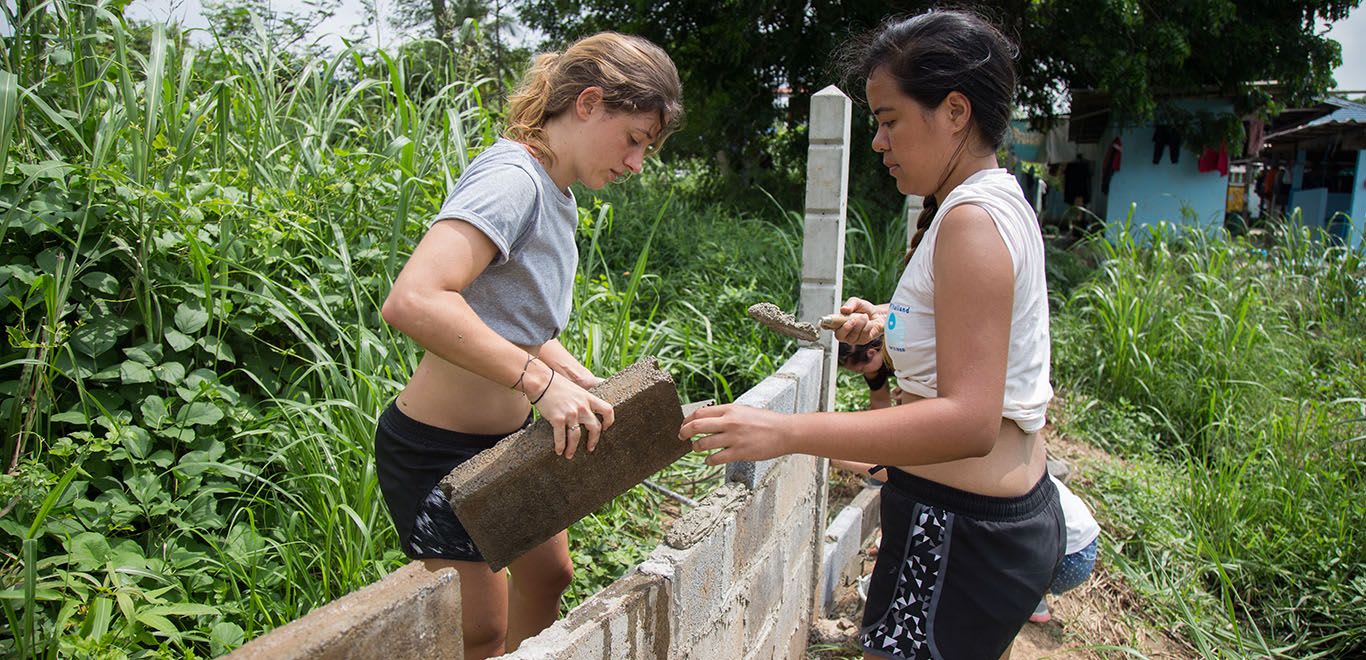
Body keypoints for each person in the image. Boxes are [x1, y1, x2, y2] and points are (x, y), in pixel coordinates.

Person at [680, 10, 1062, 659]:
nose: (880, 142)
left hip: (958, 535)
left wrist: (787, 432)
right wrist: (892, 320)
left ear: (955, 111)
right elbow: (981, 331)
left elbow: (970, 421)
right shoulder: (994, 199)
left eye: (889, 121)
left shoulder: (969, 220)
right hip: (979, 523)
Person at [377, 33, 682, 659]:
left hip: (507, 440)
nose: (635, 164)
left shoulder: (556, 192)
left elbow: (521, 327)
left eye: (646, 149)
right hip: (439, 453)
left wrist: (576, 380)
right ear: (590, 102)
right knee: (479, 631)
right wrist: (543, 386)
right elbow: (414, 300)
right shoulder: (513, 178)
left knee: (549, 578)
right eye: (634, 139)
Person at [1029, 475, 1100, 623]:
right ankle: (1035, 600)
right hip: (1086, 550)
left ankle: (1027, 598)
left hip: (1068, 557)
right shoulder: (1037, 471)